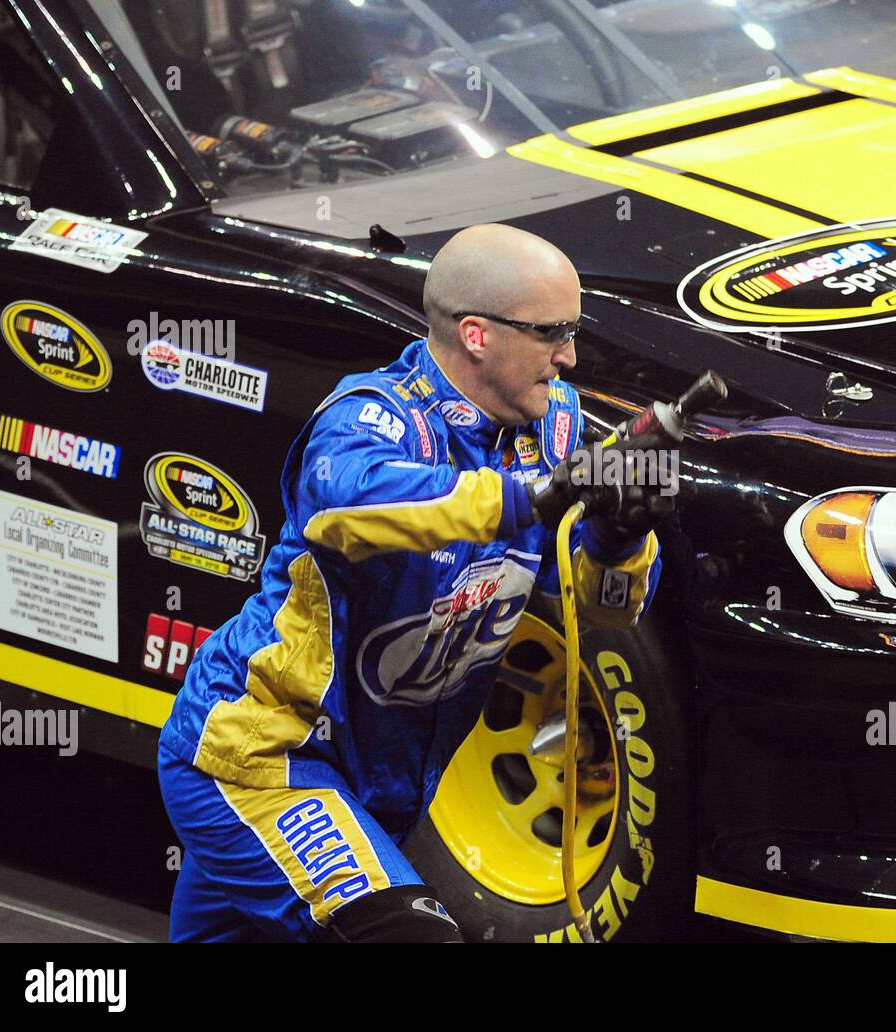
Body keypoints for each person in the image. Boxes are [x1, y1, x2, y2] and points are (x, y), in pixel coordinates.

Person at [156, 224, 670, 942]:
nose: (569, 356)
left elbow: (601, 610)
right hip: (263, 755)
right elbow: (349, 505)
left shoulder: (555, 426)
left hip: (384, 783)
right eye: (552, 332)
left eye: (574, 331)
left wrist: (622, 538)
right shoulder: (371, 416)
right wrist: (533, 498)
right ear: (477, 335)